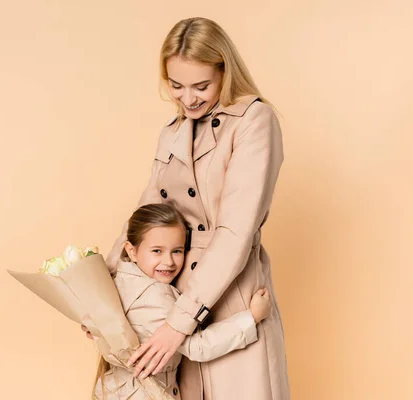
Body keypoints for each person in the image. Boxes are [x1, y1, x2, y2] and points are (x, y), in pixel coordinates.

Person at [102, 17, 290, 400]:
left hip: (229, 297)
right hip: (169, 291)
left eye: (201, 86)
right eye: (176, 85)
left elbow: (236, 231)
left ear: (225, 70)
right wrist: (101, 300)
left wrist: (179, 323)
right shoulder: (172, 131)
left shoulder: (254, 121)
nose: (188, 99)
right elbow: (145, 212)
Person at [93, 203, 271, 399]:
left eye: (177, 251)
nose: (168, 261)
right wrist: (251, 318)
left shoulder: (116, 281)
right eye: (157, 251)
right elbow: (199, 347)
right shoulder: (155, 297)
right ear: (132, 251)